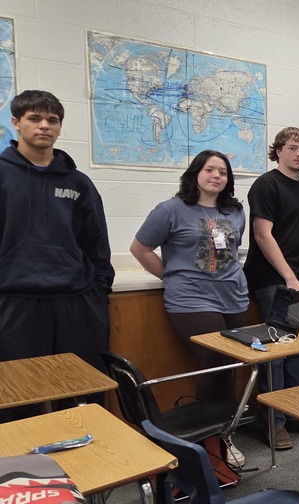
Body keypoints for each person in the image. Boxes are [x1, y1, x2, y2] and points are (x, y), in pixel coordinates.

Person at [131, 150, 249, 468]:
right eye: (210, 170)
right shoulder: (171, 209)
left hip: (234, 298)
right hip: (192, 300)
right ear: (196, 173)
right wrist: (169, 275)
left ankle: (220, 436)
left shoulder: (235, 210)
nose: (216, 176)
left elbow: (231, 252)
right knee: (214, 361)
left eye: (222, 172)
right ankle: (210, 442)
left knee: (229, 366)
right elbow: (139, 248)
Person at [0, 90, 114, 420]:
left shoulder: (79, 182)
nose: (44, 126)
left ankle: (93, 466)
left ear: (60, 127)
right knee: (17, 399)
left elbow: (97, 244)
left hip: (76, 303)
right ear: (16, 123)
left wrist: (98, 294)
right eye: (34, 118)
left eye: (52, 120)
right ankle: (22, 470)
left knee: (84, 394)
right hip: (14, 304)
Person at [244, 127, 299, 450]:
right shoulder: (266, 185)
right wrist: (288, 277)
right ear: (278, 151)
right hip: (275, 280)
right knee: (275, 353)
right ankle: (273, 422)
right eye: (292, 148)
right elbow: (263, 235)